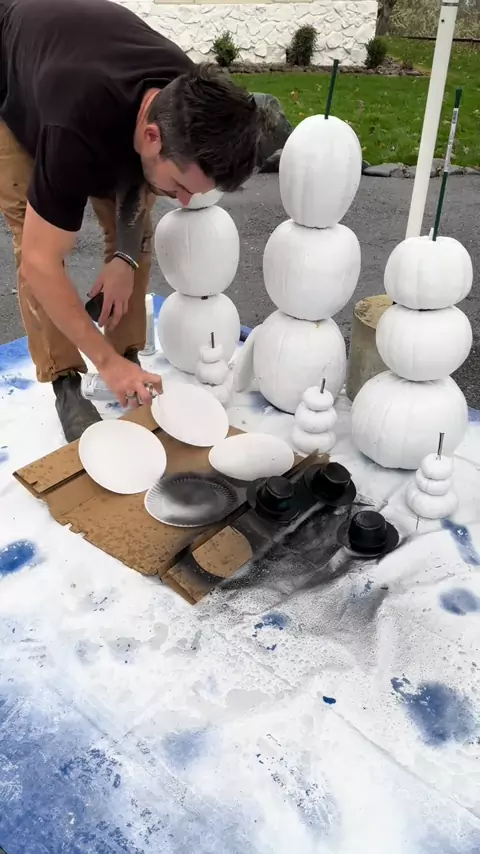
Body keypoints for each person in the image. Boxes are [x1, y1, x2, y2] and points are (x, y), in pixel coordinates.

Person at [0, 0, 259, 441]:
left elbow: (139, 183)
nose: (185, 201)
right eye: (181, 185)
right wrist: (101, 361)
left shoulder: (184, 95)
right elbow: (41, 264)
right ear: (152, 136)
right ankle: (65, 379)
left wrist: (124, 257)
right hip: (18, 76)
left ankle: (126, 356)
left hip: (85, 63)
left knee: (138, 230)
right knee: (34, 237)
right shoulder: (72, 125)